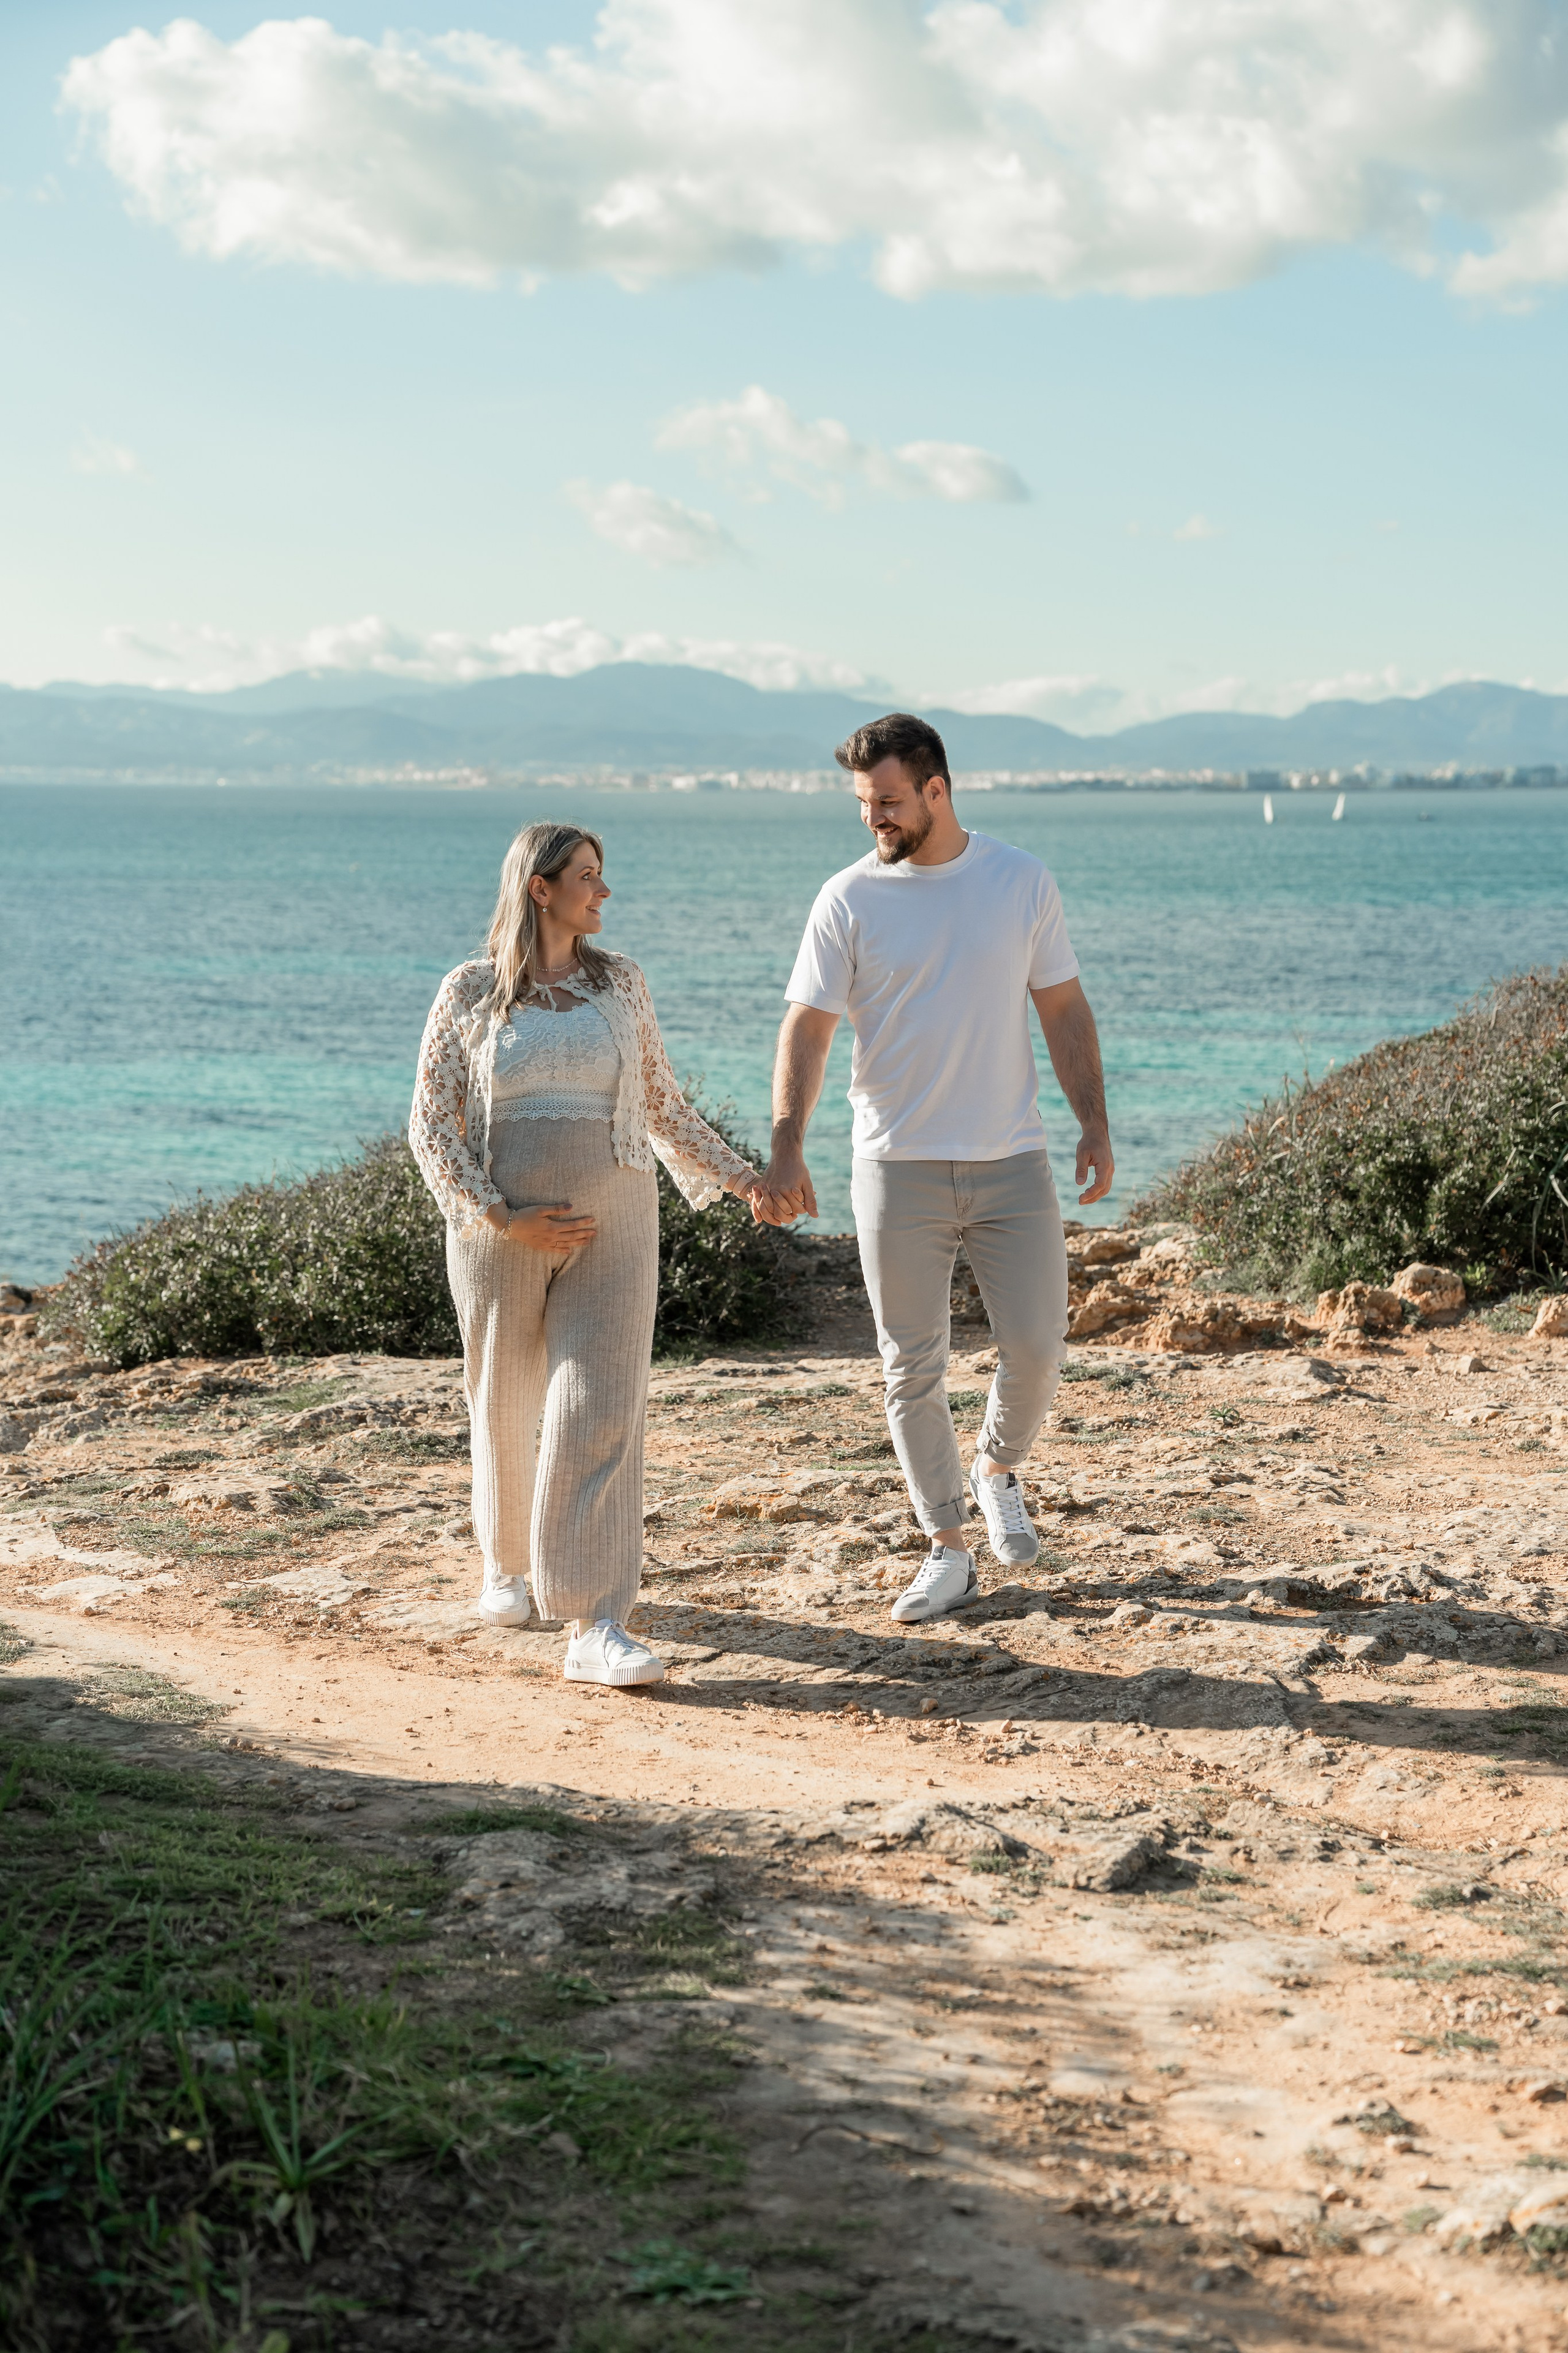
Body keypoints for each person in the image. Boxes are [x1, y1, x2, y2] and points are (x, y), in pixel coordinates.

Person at [758, 714, 1113, 1624]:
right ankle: (946, 1547)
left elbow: (1064, 1008)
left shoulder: (1020, 880)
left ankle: (997, 1468)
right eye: (863, 804)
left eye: (887, 802)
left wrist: (1094, 1123)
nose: (873, 818)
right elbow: (807, 1025)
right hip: (895, 1166)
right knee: (910, 1366)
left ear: (937, 791)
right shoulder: (847, 898)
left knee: (1038, 1342)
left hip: (1012, 1160)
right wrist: (787, 1140)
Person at [409, 821, 775, 1685]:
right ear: (541, 888)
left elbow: (664, 1108)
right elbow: (431, 1126)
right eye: (588, 877)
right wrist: (502, 1216)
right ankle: (506, 1565)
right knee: (502, 1397)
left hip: (617, 1223)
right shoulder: (468, 992)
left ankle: (594, 1619)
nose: (603, 893)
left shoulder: (623, 985)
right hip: (504, 1233)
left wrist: (748, 1180)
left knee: (599, 1405)